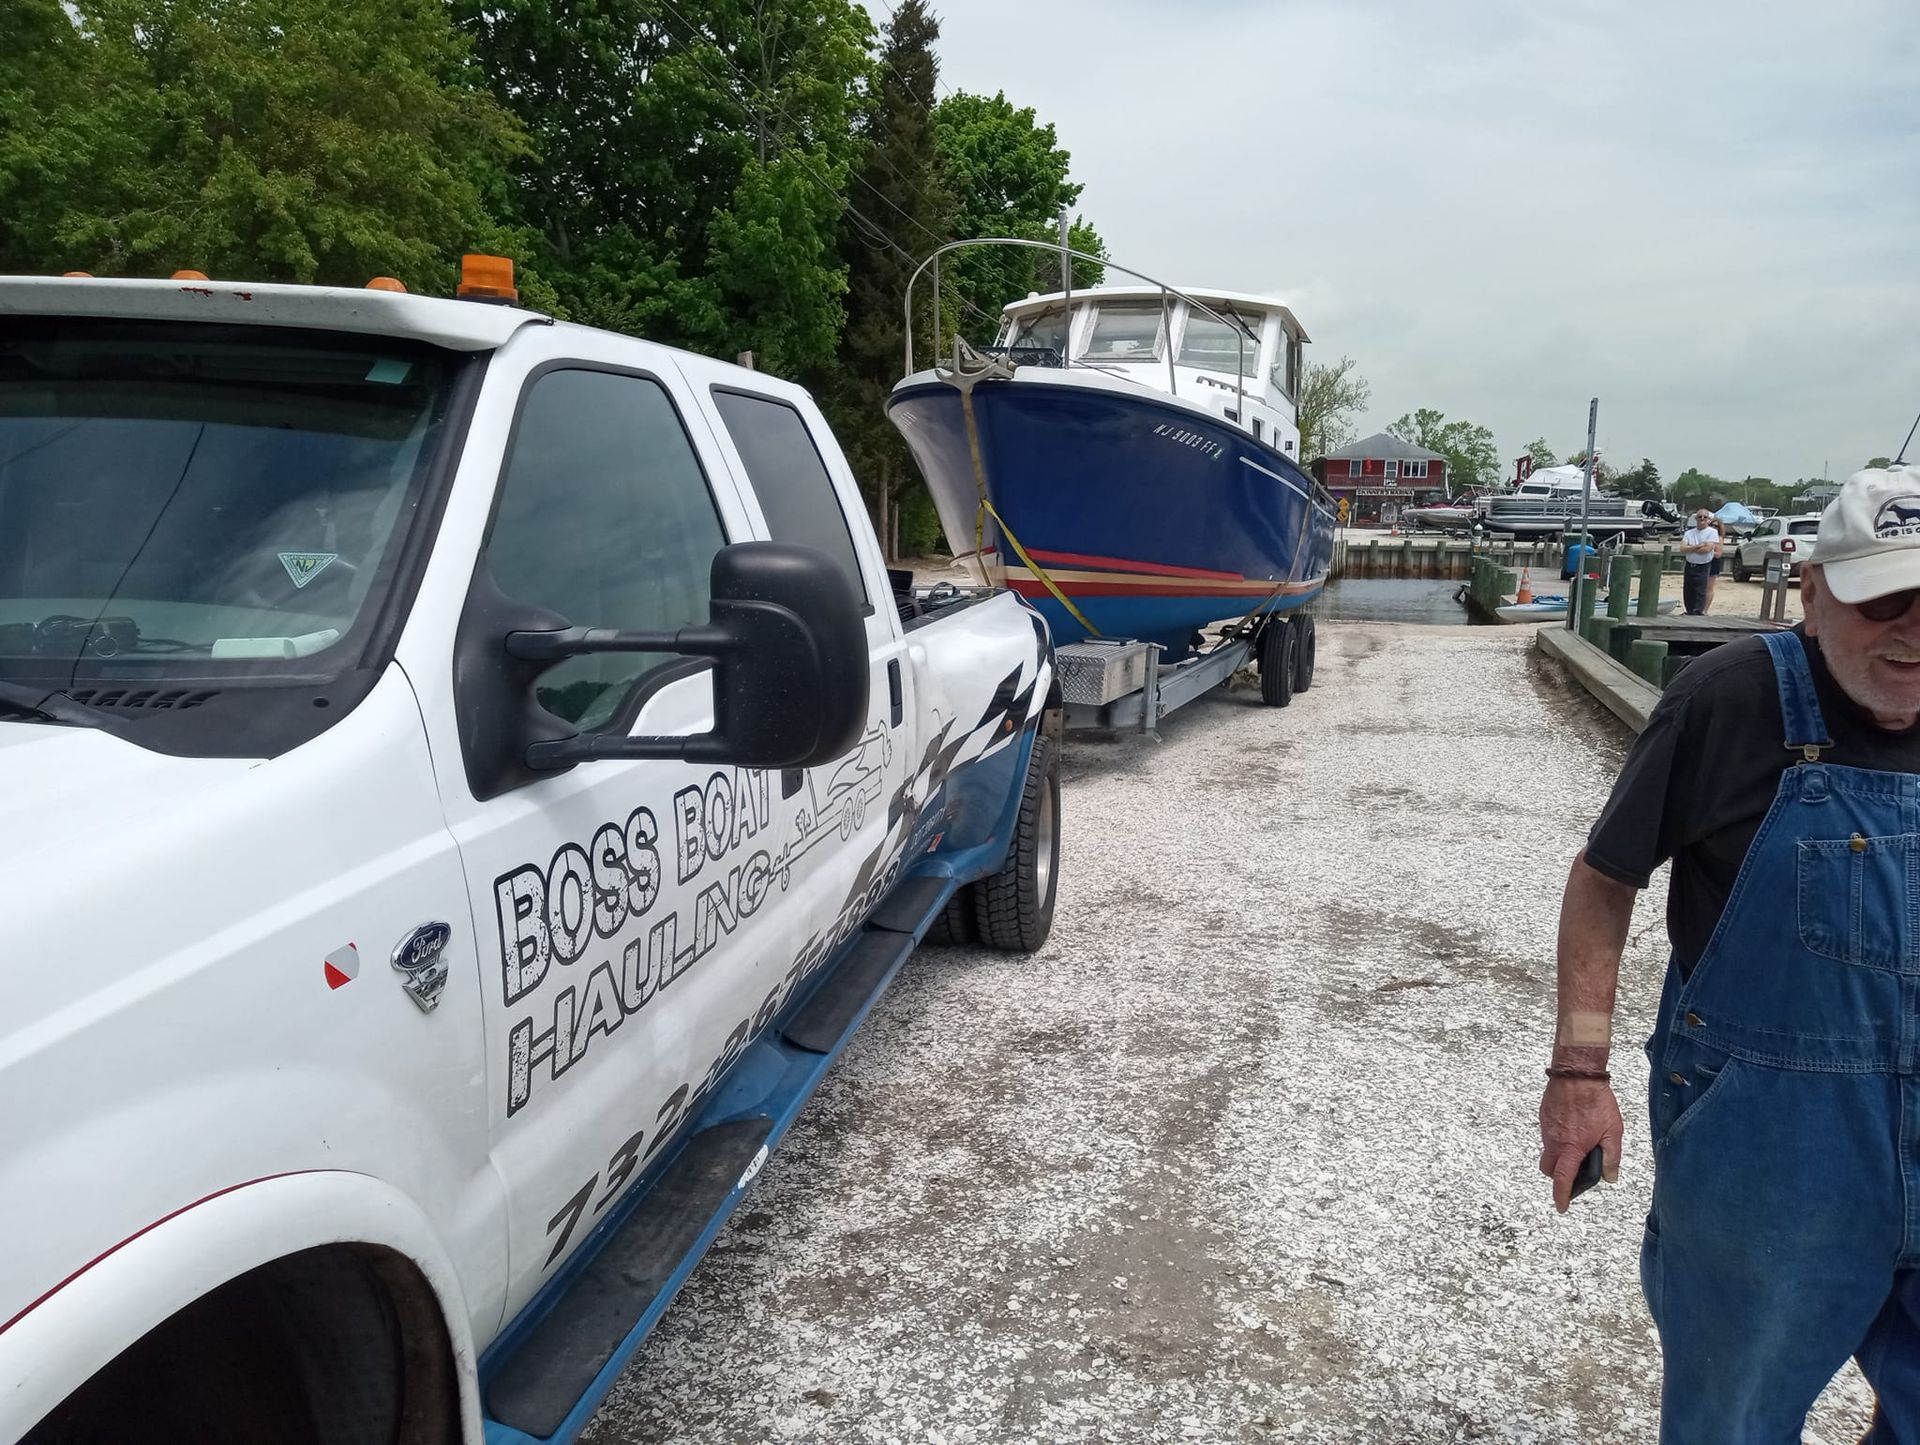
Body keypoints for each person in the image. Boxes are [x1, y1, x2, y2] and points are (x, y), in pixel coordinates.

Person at [1537, 464, 1920, 1443]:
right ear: (1813, 588)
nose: (1914, 633)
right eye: (1887, 600)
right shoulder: (1726, 701)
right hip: (1773, 1150)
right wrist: (1581, 1071)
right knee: (1733, 1415)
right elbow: (1603, 878)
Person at [1679, 508, 1717, 614]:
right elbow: (1682, 548)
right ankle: (1689, 611)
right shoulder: (1689, 533)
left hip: (1703, 565)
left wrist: (1690, 547)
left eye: (1705, 517)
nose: (1702, 519)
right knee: (1688, 590)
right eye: (1700, 517)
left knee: (1701, 590)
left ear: (1709, 519)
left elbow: (1707, 549)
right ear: (1696, 519)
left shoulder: (1712, 532)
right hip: (1690, 564)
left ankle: (1698, 612)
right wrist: (1698, 546)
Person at [1704, 517, 1725, 612]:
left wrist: (1706, 551)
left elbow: (1719, 554)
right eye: (1711, 525)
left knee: (1709, 588)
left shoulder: (1719, 539)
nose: (1713, 527)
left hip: (1713, 563)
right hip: (1703, 562)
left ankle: (1705, 609)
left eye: (1716, 526)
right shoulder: (1706, 536)